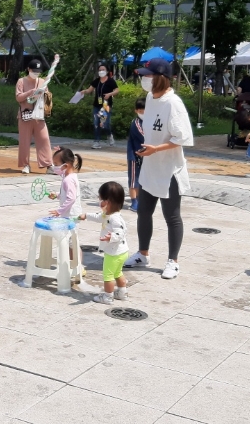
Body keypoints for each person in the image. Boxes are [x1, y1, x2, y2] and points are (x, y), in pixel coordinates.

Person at [125, 59, 193, 280]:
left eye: (148, 76)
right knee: (144, 212)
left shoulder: (173, 103)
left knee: (171, 216)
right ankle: (143, 254)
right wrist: (149, 150)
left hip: (169, 168)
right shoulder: (149, 98)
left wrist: (157, 149)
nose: (145, 79)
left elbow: (182, 137)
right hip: (151, 166)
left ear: (160, 78)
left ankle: (173, 261)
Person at [88, 181, 129, 304]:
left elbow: (121, 232)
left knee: (108, 276)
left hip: (113, 253)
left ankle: (107, 297)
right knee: (118, 273)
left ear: (108, 202)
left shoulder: (114, 218)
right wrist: (85, 215)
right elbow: (98, 217)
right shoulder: (108, 214)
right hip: (122, 252)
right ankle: (122, 293)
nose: (99, 202)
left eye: (101, 199)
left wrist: (111, 237)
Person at [16, 59, 53, 174]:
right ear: (28, 69)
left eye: (38, 71)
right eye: (34, 71)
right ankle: (25, 165)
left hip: (38, 115)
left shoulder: (42, 81)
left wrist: (44, 94)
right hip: (25, 115)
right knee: (24, 141)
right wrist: (30, 92)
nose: (36, 73)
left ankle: (48, 165)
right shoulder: (21, 81)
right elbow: (18, 97)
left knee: (44, 139)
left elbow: (47, 96)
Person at [80, 63, 118, 149]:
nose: (101, 71)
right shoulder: (96, 81)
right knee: (96, 123)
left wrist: (110, 94)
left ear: (107, 71)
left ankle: (109, 135)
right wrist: (84, 91)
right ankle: (96, 142)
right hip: (97, 105)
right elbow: (90, 90)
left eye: (103, 70)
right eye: (100, 70)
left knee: (104, 123)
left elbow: (117, 90)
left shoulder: (111, 81)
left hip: (106, 105)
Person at [48, 147, 83, 219]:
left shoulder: (68, 180)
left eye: (56, 164)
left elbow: (71, 198)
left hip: (71, 216)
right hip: (69, 214)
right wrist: (57, 195)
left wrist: (59, 211)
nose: (54, 167)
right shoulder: (67, 177)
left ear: (66, 165)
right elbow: (68, 194)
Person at [127, 98, 146, 212]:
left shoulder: (148, 121)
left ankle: (139, 199)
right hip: (134, 156)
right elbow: (144, 136)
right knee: (134, 179)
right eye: (141, 110)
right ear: (136, 111)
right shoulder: (136, 123)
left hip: (144, 155)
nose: (143, 113)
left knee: (141, 178)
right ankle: (134, 202)